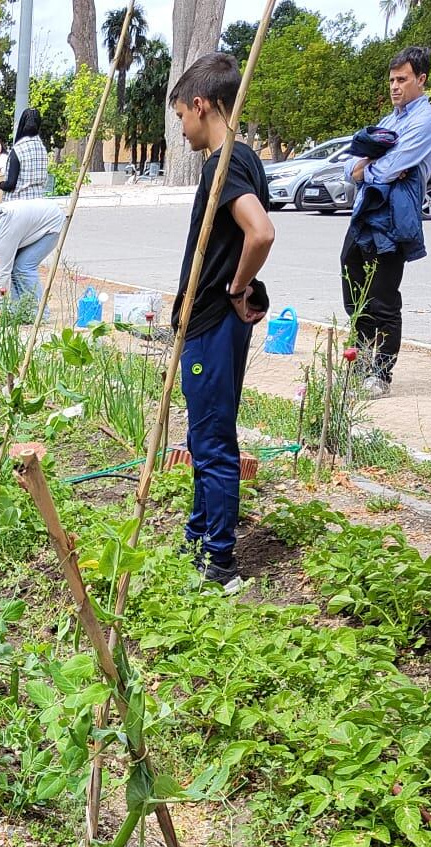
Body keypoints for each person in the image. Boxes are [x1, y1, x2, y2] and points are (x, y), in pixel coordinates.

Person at [167, 52, 274, 591]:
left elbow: (261, 232)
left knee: (211, 441)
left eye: (181, 116)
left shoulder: (224, 162)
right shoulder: (245, 157)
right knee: (206, 432)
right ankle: (198, 538)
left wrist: (234, 287)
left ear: (201, 105)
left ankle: (219, 563)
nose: (182, 128)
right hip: (219, 323)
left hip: (211, 321)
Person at [341, 46, 431, 396]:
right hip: (365, 215)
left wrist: (367, 167)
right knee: (354, 294)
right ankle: (359, 363)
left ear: (421, 79)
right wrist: (365, 168)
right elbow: (349, 164)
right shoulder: (389, 121)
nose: (395, 86)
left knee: (382, 299)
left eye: (402, 79)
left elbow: (391, 168)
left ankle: (380, 375)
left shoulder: (425, 121)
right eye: (392, 80)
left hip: (393, 221)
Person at [0, 193, 65, 320]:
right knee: (16, 266)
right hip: (39, 217)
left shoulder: (5, 234)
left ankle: (40, 315)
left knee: (24, 266)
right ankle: (19, 311)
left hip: (52, 223)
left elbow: (4, 271)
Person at [1, 108, 51, 200]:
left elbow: (11, 184)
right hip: (38, 200)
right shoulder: (43, 149)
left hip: (18, 201)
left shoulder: (18, 149)